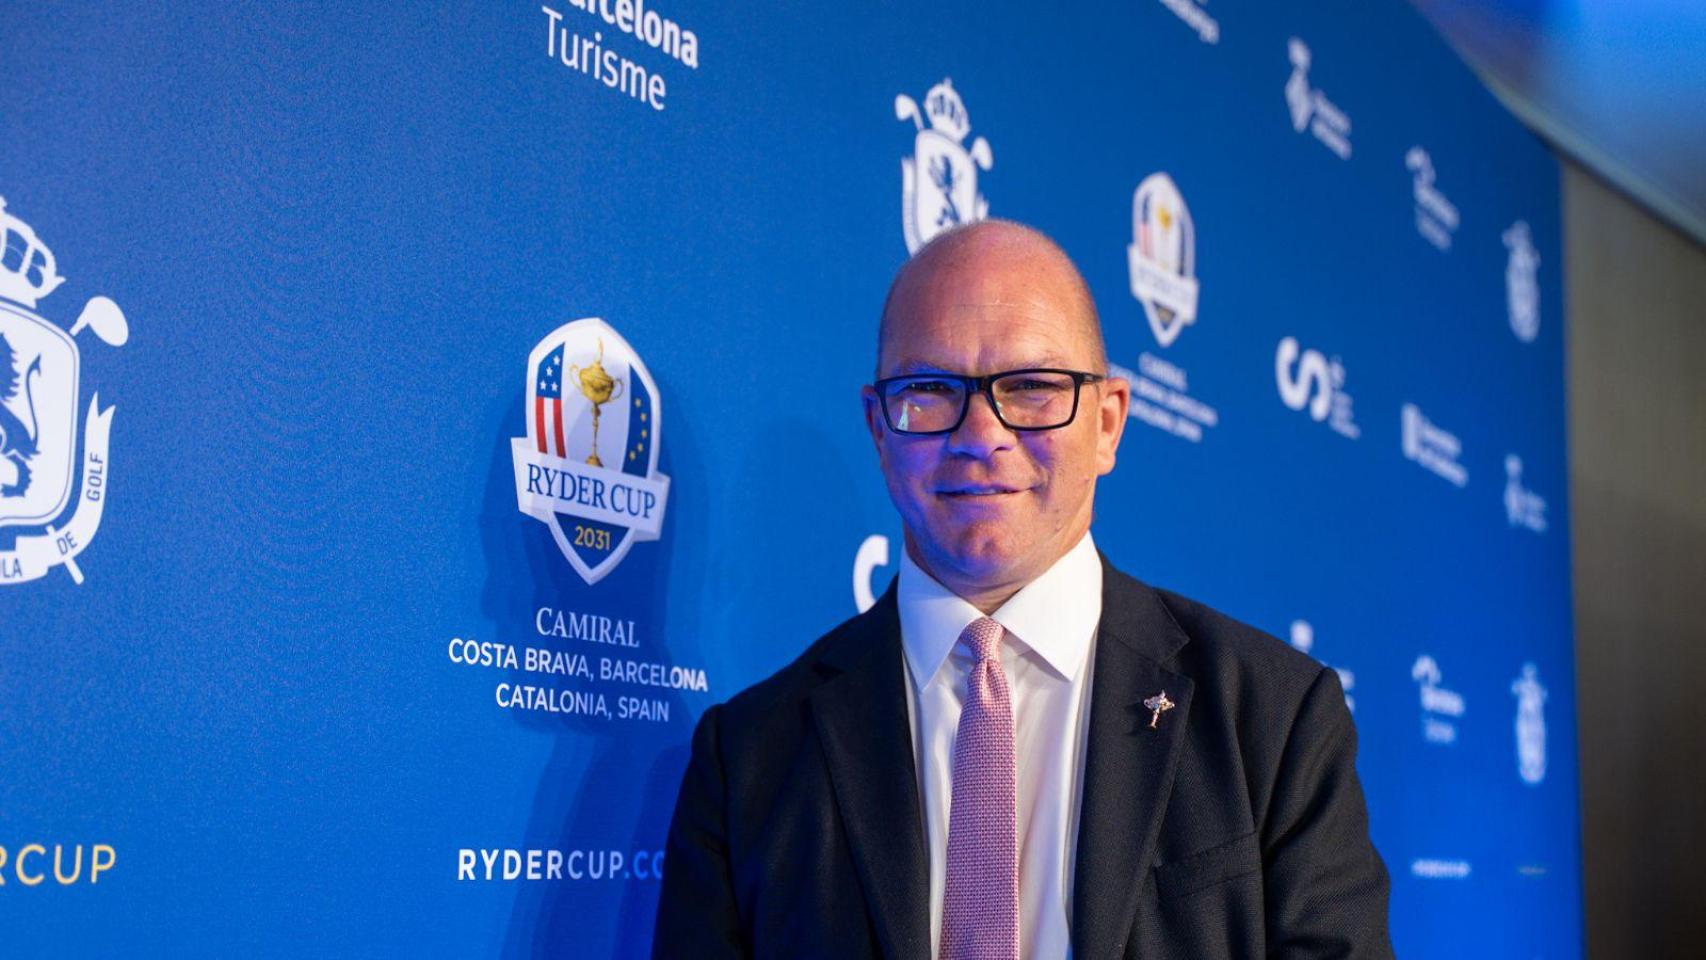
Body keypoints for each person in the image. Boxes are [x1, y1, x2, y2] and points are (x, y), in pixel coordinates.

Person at [653, 220, 1393, 959]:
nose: (980, 434)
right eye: (930, 390)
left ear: (1107, 424)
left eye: (1033, 387)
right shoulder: (746, 758)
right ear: (880, 429)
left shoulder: (1273, 718)